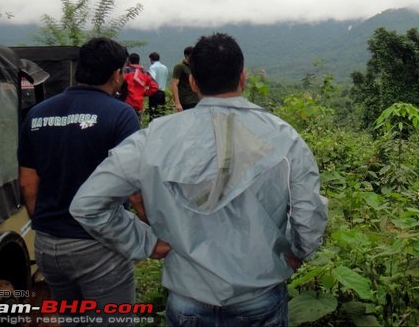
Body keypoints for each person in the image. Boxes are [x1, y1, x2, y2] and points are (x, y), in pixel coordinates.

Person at [71, 33, 327, 326]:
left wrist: (145, 242)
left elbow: (88, 204)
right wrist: (299, 251)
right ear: (243, 78)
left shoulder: (153, 138)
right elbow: (308, 212)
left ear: (193, 82)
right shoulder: (284, 137)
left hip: (187, 297)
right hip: (260, 295)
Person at [17, 37, 143, 316]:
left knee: (71, 318)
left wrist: (51, 227)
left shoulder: (37, 114)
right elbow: (134, 188)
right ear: (116, 74)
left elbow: (28, 184)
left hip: (49, 247)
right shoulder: (121, 115)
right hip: (99, 244)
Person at [121, 53, 159, 119]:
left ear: (129, 61)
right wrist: (143, 93)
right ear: (138, 61)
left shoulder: (126, 72)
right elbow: (154, 87)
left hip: (126, 104)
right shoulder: (144, 73)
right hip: (138, 105)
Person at [171, 45, 199, 111]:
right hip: (186, 102)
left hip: (197, 101)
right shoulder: (180, 67)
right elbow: (174, 84)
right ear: (186, 56)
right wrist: (177, 103)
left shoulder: (194, 67)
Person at [147, 51, 169, 119]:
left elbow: (152, 79)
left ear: (151, 59)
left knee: (153, 115)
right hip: (162, 93)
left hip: (154, 93)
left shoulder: (152, 67)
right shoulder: (165, 67)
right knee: (161, 114)